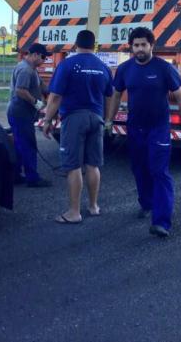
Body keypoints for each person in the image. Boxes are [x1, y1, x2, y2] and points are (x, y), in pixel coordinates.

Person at [105, 27, 181, 238]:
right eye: (135, 45)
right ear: (131, 47)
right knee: (139, 169)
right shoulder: (125, 69)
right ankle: (146, 203)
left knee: (159, 171)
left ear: (151, 46)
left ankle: (162, 221)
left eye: (143, 45)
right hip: (135, 128)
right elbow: (116, 95)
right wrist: (109, 121)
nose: (139, 49)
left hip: (158, 129)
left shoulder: (164, 69)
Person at [43, 30, 113, 224]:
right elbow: (109, 96)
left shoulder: (67, 65)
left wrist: (47, 120)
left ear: (76, 44)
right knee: (93, 164)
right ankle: (93, 206)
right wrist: (107, 119)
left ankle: (74, 212)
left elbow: (55, 97)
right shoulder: (103, 67)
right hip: (96, 118)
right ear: (94, 46)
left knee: (74, 166)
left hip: (74, 119)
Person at [8, 43, 52, 187]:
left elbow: (41, 86)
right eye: (43, 57)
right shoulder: (26, 70)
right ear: (35, 55)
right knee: (28, 145)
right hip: (20, 113)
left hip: (21, 113)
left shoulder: (31, 69)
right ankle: (32, 178)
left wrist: (54, 92)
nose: (44, 60)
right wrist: (37, 103)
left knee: (20, 145)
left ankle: (15, 175)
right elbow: (20, 90)